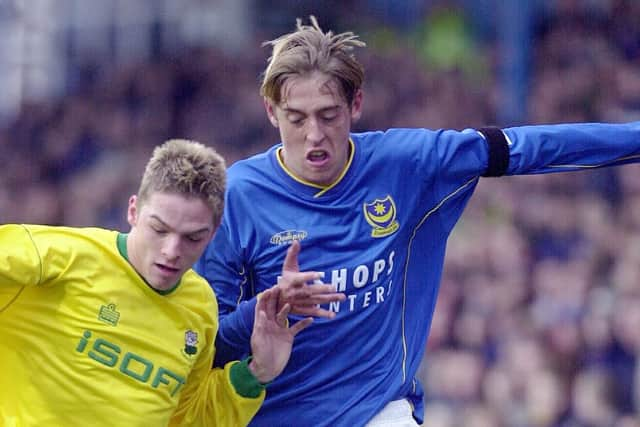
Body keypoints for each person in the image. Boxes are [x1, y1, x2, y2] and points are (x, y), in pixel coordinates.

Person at [194, 16, 640, 427]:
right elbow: (207, 344)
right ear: (271, 111)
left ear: (356, 105)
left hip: (379, 410)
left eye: (329, 115)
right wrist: (264, 310)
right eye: (296, 118)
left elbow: (522, 147)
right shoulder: (236, 198)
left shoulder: (407, 164)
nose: (314, 134)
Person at [0, 139, 314, 427]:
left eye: (192, 237)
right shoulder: (57, 257)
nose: (171, 251)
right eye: (159, 229)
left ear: (213, 234)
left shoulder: (200, 307)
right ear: (133, 210)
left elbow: (188, 418)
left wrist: (257, 373)